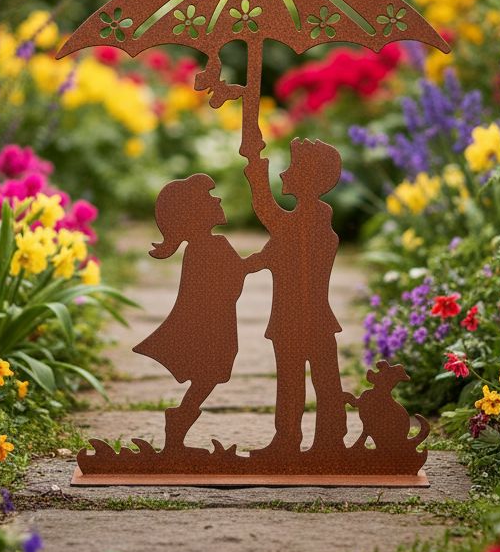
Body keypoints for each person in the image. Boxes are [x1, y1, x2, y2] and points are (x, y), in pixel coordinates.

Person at [133, 174, 264, 450]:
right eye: (209, 197)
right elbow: (231, 278)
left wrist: (255, 263)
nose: (217, 198)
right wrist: (263, 260)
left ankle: (178, 424)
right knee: (211, 372)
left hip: (217, 322)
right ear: (195, 213)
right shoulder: (210, 247)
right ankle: (178, 425)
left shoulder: (205, 247)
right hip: (211, 327)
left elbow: (232, 276)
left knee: (211, 373)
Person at [243, 136, 348, 456]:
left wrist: (255, 165)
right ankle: (288, 440)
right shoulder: (297, 227)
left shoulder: (310, 223)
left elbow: (267, 213)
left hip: (308, 318)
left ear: (307, 180)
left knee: (321, 380)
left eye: (290, 169)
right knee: (292, 382)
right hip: (293, 319)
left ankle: (329, 439)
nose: (283, 174)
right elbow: (267, 255)